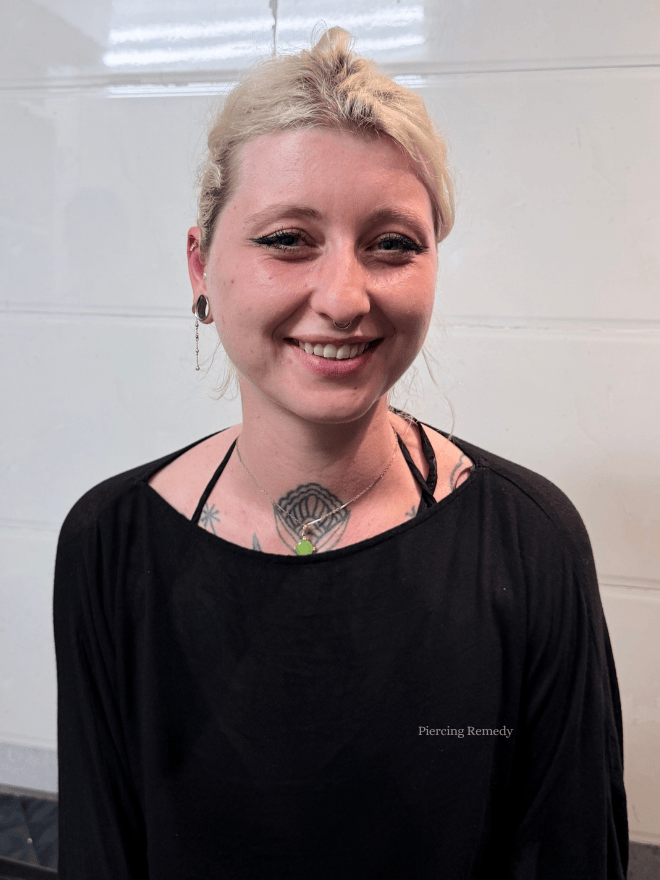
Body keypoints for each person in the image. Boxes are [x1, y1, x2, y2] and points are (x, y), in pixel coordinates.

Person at [53, 26, 628, 879]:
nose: (343, 296)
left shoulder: (530, 543)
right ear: (201, 262)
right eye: (288, 239)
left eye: (392, 244)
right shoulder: (109, 545)